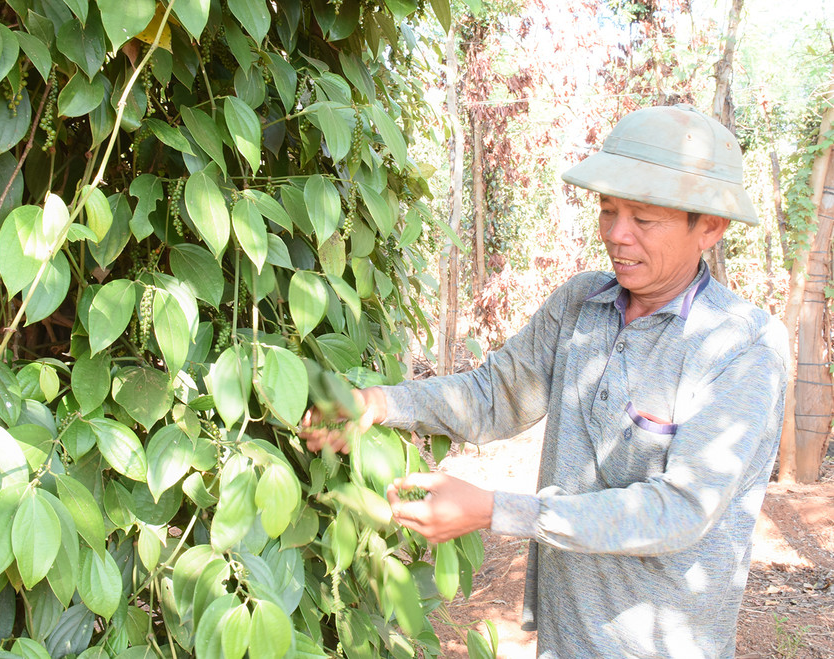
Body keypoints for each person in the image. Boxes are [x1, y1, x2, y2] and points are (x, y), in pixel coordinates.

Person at [300, 104, 790, 659]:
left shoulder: (742, 347)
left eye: (644, 219)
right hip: (566, 634)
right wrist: (379, 402)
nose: (617, 235)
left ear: (711, 226)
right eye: (608, 210)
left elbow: (678, 511)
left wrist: (494, 510)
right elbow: (494, 396)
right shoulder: (582, 304)